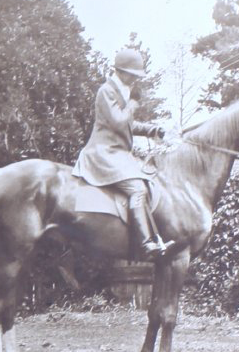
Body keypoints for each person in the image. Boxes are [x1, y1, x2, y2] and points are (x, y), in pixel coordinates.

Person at [73, 48, 171, 258]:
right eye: (133, 75)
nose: (136, 79)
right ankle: (146, 243)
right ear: (121, 71)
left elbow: (127, 125)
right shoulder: (106, 91)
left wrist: (152, 129)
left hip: (117, 153)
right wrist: (133, 104)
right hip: (103, 152)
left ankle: (152, 238)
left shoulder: (121, 91)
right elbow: (118, 122)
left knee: (147, 183)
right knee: (137, 189)